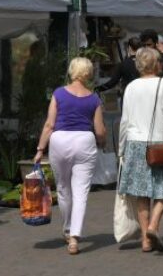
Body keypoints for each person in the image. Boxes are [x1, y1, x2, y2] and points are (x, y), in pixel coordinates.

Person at [33, 57, 107, 255]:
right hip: (84, 141)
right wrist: (103, 141)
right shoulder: (94, 99)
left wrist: (40, 149)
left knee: (64, 189)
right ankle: (74, 237)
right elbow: (99, 130)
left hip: (60, 141)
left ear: (71, 71)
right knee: (81, 192)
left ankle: (67, 229)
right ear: (89, 74)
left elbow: (49, 124)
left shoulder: (58, 94)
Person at [117, 47, 163, 254]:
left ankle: (146, 239)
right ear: (156, 63)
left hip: (135, 143)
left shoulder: (131, 87)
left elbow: (125, 120)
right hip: (160, 143)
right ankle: (153, 226)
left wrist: (121, 148)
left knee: (141, 193)